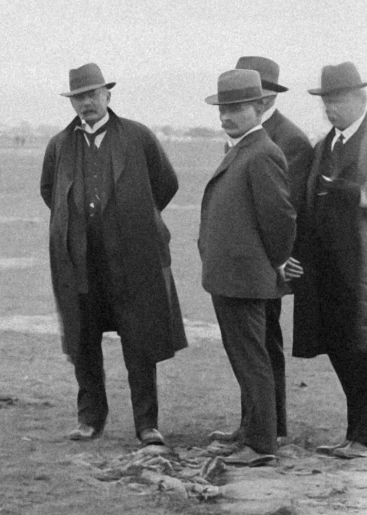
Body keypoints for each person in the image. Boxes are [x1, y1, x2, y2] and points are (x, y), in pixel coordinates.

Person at [38, 64, 187, 445]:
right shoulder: (59, 145)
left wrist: (132, 221)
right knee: (84, 340)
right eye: (79, 97)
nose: (86, 102)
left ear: (108, 95)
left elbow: (165, 185)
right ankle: (90, 419)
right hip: (82, 264)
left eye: (93, 94)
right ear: (72, 102)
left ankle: (146, 424)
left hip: (132, 261)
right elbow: (50, 194)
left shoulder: (138, 137)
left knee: (139, 341)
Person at [197, 66, 296, 467]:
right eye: (223, 108)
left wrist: (272, 264)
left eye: (237, 108)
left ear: (259, 106)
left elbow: (281, 219)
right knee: (246, 358)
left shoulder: (263, 152)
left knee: (253, 360)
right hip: (232, 278)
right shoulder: (243, 148)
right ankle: (251, 428)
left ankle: (261, 445)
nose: (227, 115)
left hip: (246, 279)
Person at [287, 62, 367, 459]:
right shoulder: (324, 147)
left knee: (361, 347)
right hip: (325, 271)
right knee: (339, 346)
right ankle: (355, 433)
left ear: (360, 98)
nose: (330, 108)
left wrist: (353, 192)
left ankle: (362, 437)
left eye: (337, 100)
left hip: (362, 270)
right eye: (325, 101)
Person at [236, 56, 313, 437]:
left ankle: (273, 428)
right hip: (248, 259)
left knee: (264, 344)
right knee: (250, 346)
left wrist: (277, 261)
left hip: (270, 261)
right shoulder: (246, 134)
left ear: (270, 94)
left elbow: (288, 211)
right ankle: (253, 424)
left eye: (257, 89)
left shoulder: (290, 140)